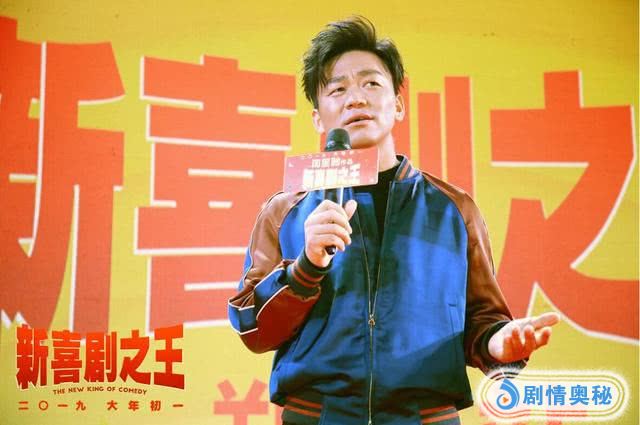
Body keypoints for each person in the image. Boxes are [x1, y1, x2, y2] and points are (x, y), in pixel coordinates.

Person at [228, 16, 559, 425]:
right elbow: (251, 327)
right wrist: (305, 269)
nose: (355, 99)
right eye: (338, 89)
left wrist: (498, 343)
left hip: (424, 417)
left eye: (370, 83)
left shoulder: (453, 209)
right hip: (319, 417)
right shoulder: (285, 212)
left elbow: (482, 320)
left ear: (398, 104)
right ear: (317, 118)